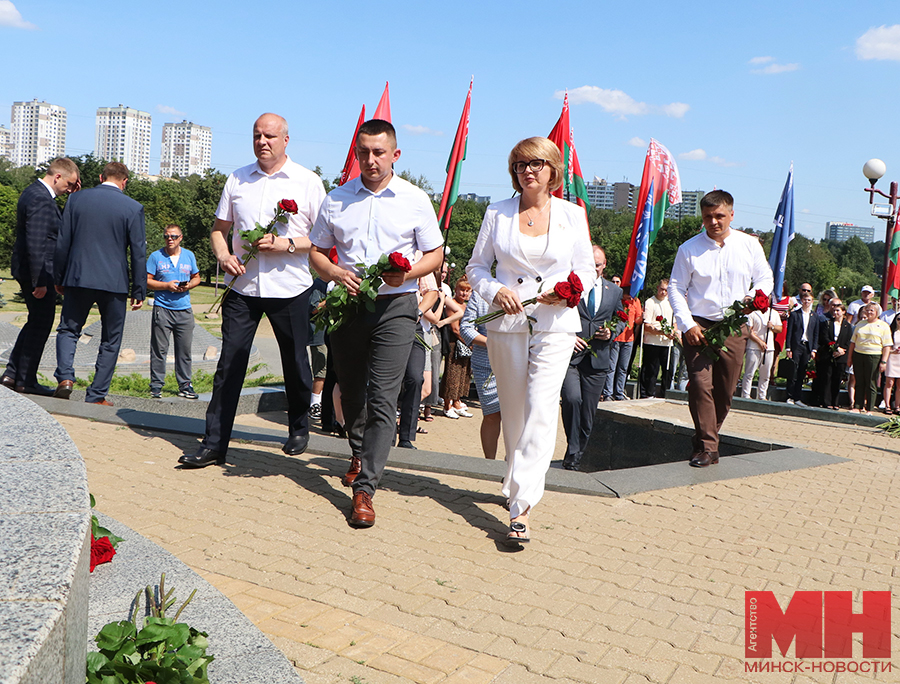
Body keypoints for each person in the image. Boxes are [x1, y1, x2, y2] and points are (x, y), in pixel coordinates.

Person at [309, 119, 444, 528]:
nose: (370, 160)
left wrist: (408, 274)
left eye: (379, 152)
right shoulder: (336, 199)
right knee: (350, 392)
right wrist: (334, 273)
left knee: (384, 396)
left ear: (395, 156)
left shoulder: (415, 199)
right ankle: (357, 449)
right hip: (349, 308)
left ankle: (365, 489)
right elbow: (316, 251)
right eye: (363, 152)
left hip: (396, 308)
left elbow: (434, 254)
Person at [178, 113, 325, 468]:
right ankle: (214, 444)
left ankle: (298, 425)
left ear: (286, 140)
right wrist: (224, 255)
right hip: (243, 287)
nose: (263, 142)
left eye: (270, 136)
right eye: (257, 135)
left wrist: (286, 244)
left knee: (295, 362)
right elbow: (219, 229)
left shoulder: (307, 182)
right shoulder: (238, 179)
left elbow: (323, 239)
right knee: (230, 364)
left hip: (291, 288)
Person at [467, 136, 595, 543]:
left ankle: (520, 507)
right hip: (507, 324)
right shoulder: (496, 212)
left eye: (537, 163)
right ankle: (513, 481)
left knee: (541, 406)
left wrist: (569, 290)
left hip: (556, 323)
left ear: (553, 170)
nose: (528, 170)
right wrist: (493, 291)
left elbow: (588, 271)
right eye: (521, 164)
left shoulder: (573, 215)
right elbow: (475, 268)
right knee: (514, 411)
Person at [668, 190, 773, 467]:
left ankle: (704, 440)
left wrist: (755, 295)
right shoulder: (689, 249)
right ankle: (707, 448)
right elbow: (676, 288)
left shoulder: (748, 245)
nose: (713, 222)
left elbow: (764, 277)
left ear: (732, 214)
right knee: (700, 385)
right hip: (699, 326)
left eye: (719, 216)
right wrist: (687, 323)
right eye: (707, 217)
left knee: (724, 391)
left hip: (734, 327)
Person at [53, 162, 146, 405]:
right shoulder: (133, 208)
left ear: (100, 176)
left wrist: (59, 276)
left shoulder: (76, 200)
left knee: (68, 330)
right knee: (111, 339)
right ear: (124, 182)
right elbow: (138, 252)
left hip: (78, 277)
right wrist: (139, 288)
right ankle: (96, 395)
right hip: (114, 283)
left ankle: (65, 378)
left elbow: (63, 243)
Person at [2, 158, 80, 395]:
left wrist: (74, 192)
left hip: (34, 271)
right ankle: (26, 380)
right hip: (38, 273)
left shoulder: (33, 192)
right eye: (68, 184)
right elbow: (36, 243)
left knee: (34, 321)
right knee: (41, 324)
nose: (69, 189)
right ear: (57, 177)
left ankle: (12, 374)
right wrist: (40, 282)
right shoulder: (40, 198)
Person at [561, 245, 622, 470]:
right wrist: (569, 337)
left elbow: (622, 318)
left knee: (588, 412)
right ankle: (573, 449)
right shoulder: (570, 287)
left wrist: (611, 332)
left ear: (604, 265)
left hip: (598, 359)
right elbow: (556, 314)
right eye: (590, 264)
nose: (593, 268)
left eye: (597, 265)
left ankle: (579, 453)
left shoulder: (614, 291)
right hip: (570, 357)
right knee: (571, 399)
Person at [146, 224, 201, 399]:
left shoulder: (189, 255)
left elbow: (196, 277)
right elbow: (146, 281)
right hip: (162, 308)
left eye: (174, 236)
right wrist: (166, 286)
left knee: (184, 350)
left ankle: (185, 385)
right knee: (159, 350)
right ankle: (156, 386)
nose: (170, 239)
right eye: (167, 236)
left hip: (184, 310)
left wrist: (189, 285)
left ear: (181, 238)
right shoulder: (156, 257)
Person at [459, 290, 502, 459]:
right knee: (491, 414)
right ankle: (490, 464)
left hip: (518, 362)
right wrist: (490, 343)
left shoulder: (526, 287)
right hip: (486, 363)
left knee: (515, 417)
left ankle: (513, 465)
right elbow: (466, 328)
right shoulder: (481, 293)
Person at [847, 303, 892, 414]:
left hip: (874, 356)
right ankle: (857, 406)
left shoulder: (883, 326)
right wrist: (849, 358)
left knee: (871, 382)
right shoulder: (860, 324)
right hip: (858, 355)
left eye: (872, 310)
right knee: (859, 381)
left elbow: (887, 346)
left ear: (877, 312)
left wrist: (884, 361)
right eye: (867, 310)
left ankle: (870, 408)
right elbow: (853, 342)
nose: (869, 312)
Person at [441, 276, 475, 419]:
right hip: (454, 344)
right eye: (462, 290)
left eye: (467, 291)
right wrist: (470, 342)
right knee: (452, 375)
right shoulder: (452, 304)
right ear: (455, 290)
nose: (464, 293)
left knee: (463, 375)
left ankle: (457, 402)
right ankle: (447, 405)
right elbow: (455, 329)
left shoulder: (466, 306)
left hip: (465, 346)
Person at [740, 300, 782, 400]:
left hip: (769, 348)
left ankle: (762, 395)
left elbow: (779, 329)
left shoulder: (774, 313)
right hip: (754, 347)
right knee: (749, 373)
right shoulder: (752, 314)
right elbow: (749, 331)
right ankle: (746, 395)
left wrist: (772, 326)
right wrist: (759, 342)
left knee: (765, 374)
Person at [784, 291, 821, 406]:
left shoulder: (815, 316)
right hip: (796, 345)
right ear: (801, 301)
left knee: (801, 372)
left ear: (812, 301)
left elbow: (815, 334)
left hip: (807, 347)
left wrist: (814, 349)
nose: (806, 302)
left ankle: (797, 397)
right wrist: (788, 348)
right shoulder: (795, 314)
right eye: (804, 300)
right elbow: (789, 332)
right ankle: (789, 396)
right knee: (793, 371)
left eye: (809, 300)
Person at [640, 279, 675, 398]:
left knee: (667, 371)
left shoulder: (670, 303)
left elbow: (674, 323)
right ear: (657, 288)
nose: (664, 292)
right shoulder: (650, 302)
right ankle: (648, 394)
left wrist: (672, 331)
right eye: (662, 289)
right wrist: (661, 332)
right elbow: (647, 325)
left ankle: (664, 394)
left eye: (666, 290)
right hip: (652, 342)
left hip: (666, 343)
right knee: (651, 370)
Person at [604, 289, 640, 401]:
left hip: (629, 339)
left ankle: (619, 392)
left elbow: (638, 320)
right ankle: (608, 393)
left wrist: (643, 317)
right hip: (616, 338)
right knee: (611, 367)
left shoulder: (636, 301)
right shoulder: (618, 300)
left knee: (623, 367)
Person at [817, 299, 852, 410]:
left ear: (843, 312)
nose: (836, 313)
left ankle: (835, 402)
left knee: (837, 379)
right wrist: (834, 348)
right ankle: (826, 401)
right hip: (829, 353)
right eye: (835, 310)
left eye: (838, 311)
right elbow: (825, 337)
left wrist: (842, 350)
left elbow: (849, 340)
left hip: (841, 356)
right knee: (827, 377)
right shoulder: (828, 323)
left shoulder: (847, 326)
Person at [882, 313, 900, 413]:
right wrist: (893, 351)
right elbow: (886, 347)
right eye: (899, 319)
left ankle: (897, 406)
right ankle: (887, 405)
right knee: (889, 383)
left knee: (899, 385)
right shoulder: (891, 332)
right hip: (891, 358)